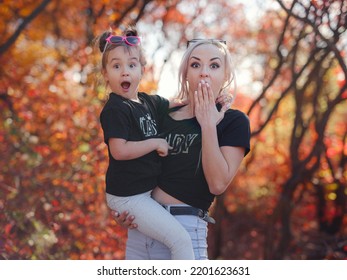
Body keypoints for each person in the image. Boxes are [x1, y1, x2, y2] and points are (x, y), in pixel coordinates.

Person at [112, 38, 251, 260]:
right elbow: (132, 164)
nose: (204, 72)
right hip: (143, 228)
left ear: (226, 75)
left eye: (214, 65)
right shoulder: (162, 115)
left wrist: (207, 124)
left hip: (185, 230)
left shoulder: (234, 121)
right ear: (186, 72)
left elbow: (217, 183)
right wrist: (126, 207)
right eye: (195, 65)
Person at [97, 26, 197, 259]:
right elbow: (119, 150)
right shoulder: (115, 109)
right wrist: (155, 143)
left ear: (142, 69)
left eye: (132, 65)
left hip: (143, 194)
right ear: (105, 74)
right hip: (129, 196)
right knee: (181, 241)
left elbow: (179, 103)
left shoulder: (147, 102)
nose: (125, 72)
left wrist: (210, 97)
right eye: (116, 66)